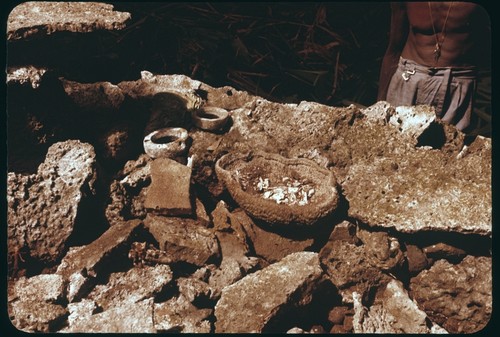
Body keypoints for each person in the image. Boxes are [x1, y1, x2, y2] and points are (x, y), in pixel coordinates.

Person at [377, 2, 491, 134]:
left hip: (456, 82)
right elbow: (394, 48)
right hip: (409, 77)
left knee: (450, 150)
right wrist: (379, 105)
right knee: (394, 145)